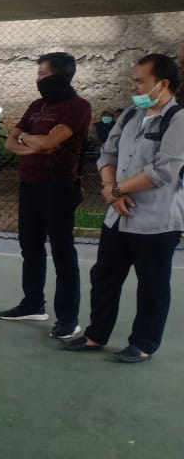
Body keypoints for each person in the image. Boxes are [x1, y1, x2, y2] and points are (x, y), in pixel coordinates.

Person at [61, 54, 184, 363]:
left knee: (152, 285)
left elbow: (164, 170)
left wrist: (117, 189)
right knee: (104, 276)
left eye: (140, 81)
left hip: (156, 221)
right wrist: (111, 191)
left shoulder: (178, 119)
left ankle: (143, 343)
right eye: (133, 81)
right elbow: (108, 153)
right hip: (117, 216)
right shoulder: (130, 114)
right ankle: (96, 335)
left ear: (162, 84)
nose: (134, 87)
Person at [0, 52, 92, 337]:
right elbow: (9, 143)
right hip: (29, 184)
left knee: (63, 252)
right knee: (30, 247)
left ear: (60, 75)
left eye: (42, 74)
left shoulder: (78, 107)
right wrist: (31, 143)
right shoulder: (36, 105)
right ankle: (33, 304)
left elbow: (50, 142)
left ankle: (68, 318)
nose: (38, 79)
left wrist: (29, 140)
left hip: (58, 186)